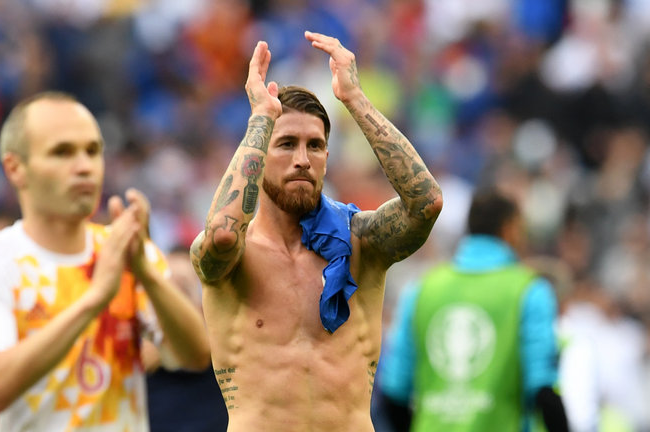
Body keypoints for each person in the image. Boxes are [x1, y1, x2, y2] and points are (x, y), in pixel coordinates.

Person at [191, 31, 443, 431]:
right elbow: (222, 233)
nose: (303, 160)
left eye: (315, 146)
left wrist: (354, 99)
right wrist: (261, 118)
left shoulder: (361, 241)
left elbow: (425, 203)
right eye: (286, 144)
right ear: (260, 152)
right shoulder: (235, 254)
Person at [0, 92, 210, 432]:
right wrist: (95, 297)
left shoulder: (123, 249)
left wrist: (148, 275)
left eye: (93, 150)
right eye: (62, 152)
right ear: (15, 168)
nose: (85, 166)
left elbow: (195, 356)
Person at [377, 189, 569, 432]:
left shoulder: (421, 290)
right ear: (510, 228)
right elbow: (543, 390)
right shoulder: (530, 291)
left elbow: (394, 391)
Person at [146, 246, 228, 432]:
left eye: (183, 290)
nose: (173, 306)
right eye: (164, 291)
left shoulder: (226, 367)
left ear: (204, 305)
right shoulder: (136, 369)